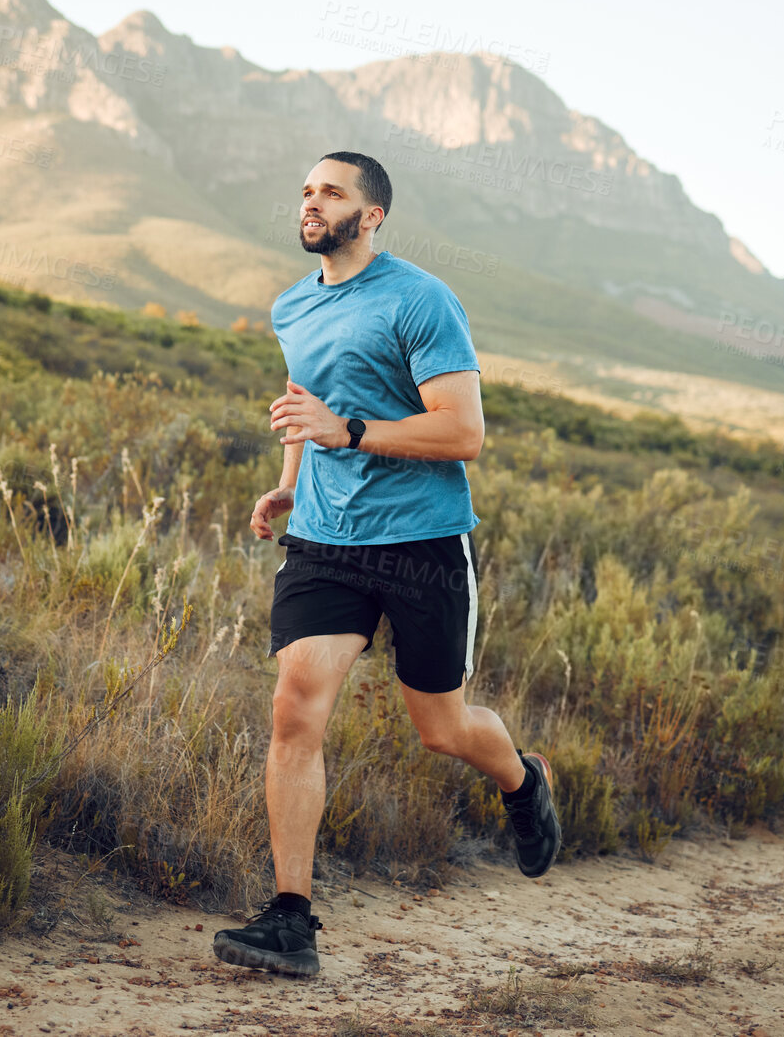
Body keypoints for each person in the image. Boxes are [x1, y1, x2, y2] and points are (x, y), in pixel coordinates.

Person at [211, 152, 562, 977]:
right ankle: (290, 919)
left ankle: (522, 781)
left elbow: (462, 432)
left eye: (330, 192)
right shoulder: (291, 306)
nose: (310, 201)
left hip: (420, 543)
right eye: (305, 189)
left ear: (370, 217)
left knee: (441, 731)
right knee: (295, 707)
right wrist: (291, 483)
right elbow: (308, 402)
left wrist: (354, 432)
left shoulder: (420, 299)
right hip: (326, 542)